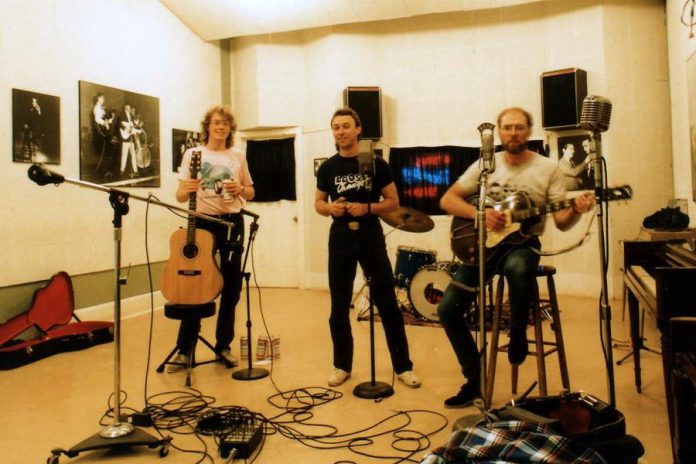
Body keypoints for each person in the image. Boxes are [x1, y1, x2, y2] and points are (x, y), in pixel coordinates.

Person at [437, 107, 595, 407]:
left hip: (523, 243)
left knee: (518, 267)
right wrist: (481, 215)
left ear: (529, 130)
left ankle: (519, 330)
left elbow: (561, 221)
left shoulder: (548, 169)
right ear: (498, 131)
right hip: (486, 245)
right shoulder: (487, 165)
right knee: (447, 310)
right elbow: (448, 199)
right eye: (507, 128)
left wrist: (575, 208)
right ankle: (474, 379)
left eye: (520, 128)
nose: (513, 133)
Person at [314, 107, 421, 389]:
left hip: (370, 236)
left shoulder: (376, 164)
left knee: (387, 302)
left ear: (358, 129)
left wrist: (368, 207)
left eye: (346, 126)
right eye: (336, 127)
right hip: (340, 238)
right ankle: (341, 365)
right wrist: (330, 209)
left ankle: (403, 367)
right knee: (339, 306)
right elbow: (318, 204)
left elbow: (393, 203)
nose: (341, 131)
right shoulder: (327, 167)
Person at [168, 105, 255, 372]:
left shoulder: (237, 156)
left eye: (225, 124)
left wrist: (240, 188)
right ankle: (185, 350)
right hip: (201, 222)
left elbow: (250, 192)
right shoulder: (193, 154)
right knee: (195, 282)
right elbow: (180, 196)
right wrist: (188, 189)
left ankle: (223, 346)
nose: (221, 127)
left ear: (230, 128)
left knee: (231, 286)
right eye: (216, 122)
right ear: (207, 126)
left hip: (231, 222)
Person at [118, 104, 138, 178]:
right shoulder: (122, 116)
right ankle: (122, 170)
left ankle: (135, 171)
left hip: (131, 138)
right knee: (124, 155)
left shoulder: (132, 117)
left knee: (133, 155)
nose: (129, 110)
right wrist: (127, 128)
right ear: (125, 108)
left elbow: (134, 126)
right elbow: (121, 125)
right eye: (128, 108)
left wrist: (135, 125)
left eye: (130, 108)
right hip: (125, 138)